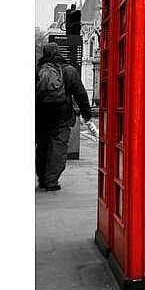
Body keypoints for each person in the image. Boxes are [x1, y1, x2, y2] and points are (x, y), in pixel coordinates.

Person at [36, 42, 92, 191]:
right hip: (61, 116)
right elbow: (80, 94)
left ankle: (42, 178)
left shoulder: (37, 70)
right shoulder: (68, 70)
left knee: (42, 147)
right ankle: (51, 181)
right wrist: (87, 114)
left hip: (40, 116)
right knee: (58, 148)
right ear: (58, 52)